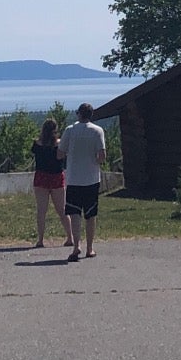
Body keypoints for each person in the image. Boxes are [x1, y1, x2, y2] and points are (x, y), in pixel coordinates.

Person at [58, 102, 109, 262]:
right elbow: (102, 156)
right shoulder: (97, 131)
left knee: (74, 213)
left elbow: (60, 154)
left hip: (73, 178)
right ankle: (90, 248)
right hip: (91, 179)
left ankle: (76, 246)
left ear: (79, 114)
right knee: (90, 214)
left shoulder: (70, 130)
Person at [30, 117, 70, 250]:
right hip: (57, 176)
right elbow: (62, 157)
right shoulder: (59, 144)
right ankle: (70, 237)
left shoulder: (37, 144)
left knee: (41, 210)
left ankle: (40, 240)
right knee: (62, 209)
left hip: (41, 176)